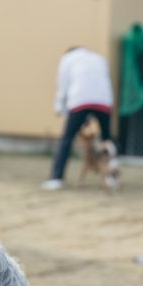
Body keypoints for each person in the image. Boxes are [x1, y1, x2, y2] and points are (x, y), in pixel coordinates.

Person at [42, 47, 114, 190]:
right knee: (107, 139)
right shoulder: (99, 58)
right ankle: (111, 176)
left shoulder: (67, 59)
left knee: (66, 138)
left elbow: (63, 85)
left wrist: (60, 108)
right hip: (104, 100)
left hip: (80, 100)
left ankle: (56, 178)